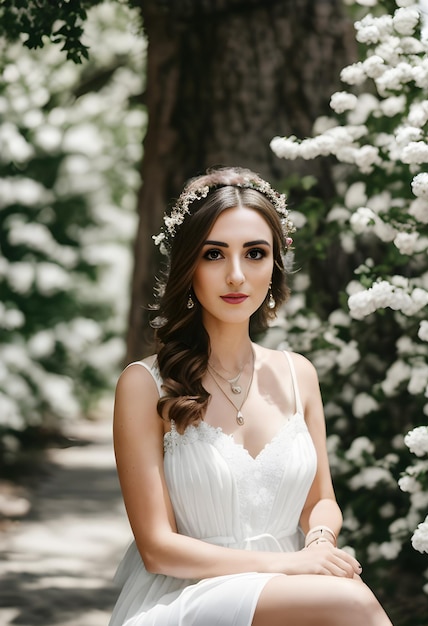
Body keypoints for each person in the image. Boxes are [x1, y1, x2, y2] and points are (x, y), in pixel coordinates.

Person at [109, 166, 393, 626]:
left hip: (294, 591)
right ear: (189, 267)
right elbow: (157, 548)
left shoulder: (298, 374)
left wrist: (319, 541)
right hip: (191, 595)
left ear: (274, 264)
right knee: (353, 602)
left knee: (344, 596)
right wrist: (291, 565)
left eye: (255, 253)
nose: (237, 275)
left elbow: (320, 500)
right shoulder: (144, 384)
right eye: (214, 254)